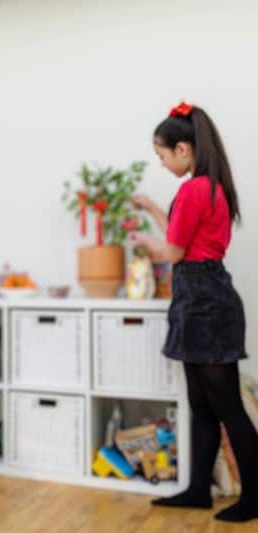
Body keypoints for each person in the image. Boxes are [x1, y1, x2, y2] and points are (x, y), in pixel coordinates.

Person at [130, 102, 257, 522]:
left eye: (163, 155)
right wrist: (151, 209)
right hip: (206, 299)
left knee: (224, 406)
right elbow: (185, 234)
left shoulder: (193, 188)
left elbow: (172, 249)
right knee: (201, 403)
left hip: (203, 303)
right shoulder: (210, 186)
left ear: (183, 149)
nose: (163, 163)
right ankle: (199, 489)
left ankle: (254, 495)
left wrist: (146, 243)